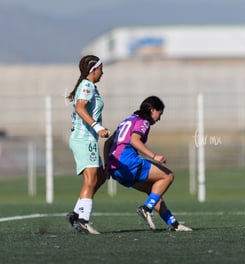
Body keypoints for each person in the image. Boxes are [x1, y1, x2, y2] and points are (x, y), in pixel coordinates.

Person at [105, 96, 192, 232]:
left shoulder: (128, 120)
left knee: (155, 191)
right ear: (152, 110)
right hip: (128, 162)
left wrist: (107, 167)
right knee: (168, 176)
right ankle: (146, 209)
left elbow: (108, 143)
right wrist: (154, 156)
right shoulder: (143, 121)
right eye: (159, 113)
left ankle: (173, 224)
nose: (159, 118)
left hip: (115, 167)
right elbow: (135, 140)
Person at [65, 55, 110, 234]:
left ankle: (76, 214)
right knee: (91, 179)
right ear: (94, 69)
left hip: (88, 139)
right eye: (101, 68)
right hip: (84, 139)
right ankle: (83, 220)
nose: (102, 72)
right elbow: (80, 108)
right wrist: (97, 127)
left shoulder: (90, 86)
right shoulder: (87, 85)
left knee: (101, 175)